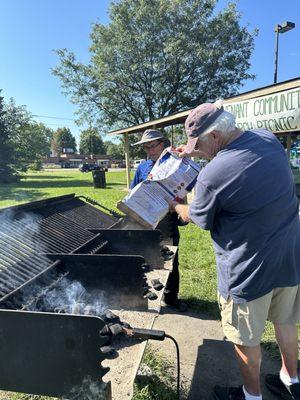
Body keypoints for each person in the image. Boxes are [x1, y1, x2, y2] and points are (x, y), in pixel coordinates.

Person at [170, 100, 300, 400]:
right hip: (289, 256)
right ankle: (291, 379)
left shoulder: (213, 174)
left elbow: (198, 218)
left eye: (199, 143)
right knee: (285, 323)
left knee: (245, 339)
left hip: (248, 270)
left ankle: (250, 395)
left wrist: (176, 205)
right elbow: (235, 164)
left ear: (214, 136)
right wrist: (195, 151)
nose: (197, 149)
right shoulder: (267, 139)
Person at [131, 128, 187, 312]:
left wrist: (182, 214)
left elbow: (182, 190)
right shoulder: (142, 167)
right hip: (145, 221)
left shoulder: (176, 164)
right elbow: (133, 192)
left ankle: (171, 298)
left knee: (171, 261)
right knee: (145, 258)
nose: (149, 151)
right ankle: (146, 295)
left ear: (163, 144)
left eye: (152, 146)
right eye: (146, 148)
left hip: (167, 220)